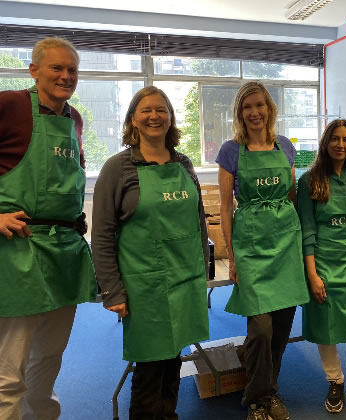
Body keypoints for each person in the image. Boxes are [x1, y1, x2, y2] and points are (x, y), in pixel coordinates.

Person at [91, 86, 210, 419]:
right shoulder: (117, 168)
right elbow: (100, 234)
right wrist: (112, 289)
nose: (154, 116)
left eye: (161, 110)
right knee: (148, 367)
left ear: (170, 118)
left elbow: (198, 220)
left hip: (185, 279)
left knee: (174, 359)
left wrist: (203, 270)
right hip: (144, 286)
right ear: (133, 119)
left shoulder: (184, 163)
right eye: (146, 110)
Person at [0, 37, 96, 419]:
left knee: (50, 355)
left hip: (65, 252)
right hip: (19, 252)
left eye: (72, 69)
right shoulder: (10, 106)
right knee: (11, 368)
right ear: (34, 70)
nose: (66, 75)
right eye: (56, 67)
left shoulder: (73, 119)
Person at [216, 81, 310, 420]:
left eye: (260, 105)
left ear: (269, 108)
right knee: (260, 329)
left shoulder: (285, 146)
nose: (254, 112)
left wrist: (301, 245)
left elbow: (291, 196)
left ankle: (270, 390)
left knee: (282, 326)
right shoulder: (230, 151)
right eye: (247, 107)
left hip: (285, 241)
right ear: (240, 113)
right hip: (251, 246)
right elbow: (225, 207)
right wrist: (231, 255)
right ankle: (257, 398)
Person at [297, 120, 346, 419]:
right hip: (323, 266)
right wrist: (312, 274)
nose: (340, 145)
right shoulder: (308, 181)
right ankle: (335, 381)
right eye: (335, 139)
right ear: (325, 142)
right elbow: (306, 230)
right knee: (326, 329)